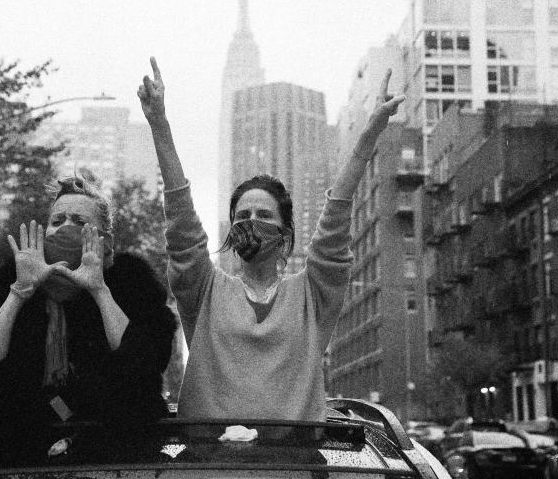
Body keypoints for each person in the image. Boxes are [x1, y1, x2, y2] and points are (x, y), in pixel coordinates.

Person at [138, 57, 403, 421]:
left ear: (285, 234)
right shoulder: (204, 290)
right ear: (230, 232)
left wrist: (369, 135)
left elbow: (335, 222)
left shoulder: (312, 295)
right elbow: (182, 226)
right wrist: (159, 125)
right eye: (242, 216)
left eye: (264, 216)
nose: (251, 222)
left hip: (294, 466)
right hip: (208, 466)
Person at [0, 174, 178, 467]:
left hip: (117, 456)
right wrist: (20, 291)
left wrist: (99, 289)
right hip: (19, 456)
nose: (65, 228)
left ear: (105, 243)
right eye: (57, 220)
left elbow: (143, 361)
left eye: (79, 222)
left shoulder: (132, 282)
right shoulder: (10, 280)